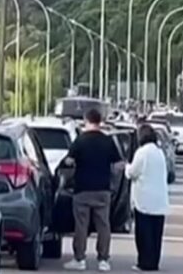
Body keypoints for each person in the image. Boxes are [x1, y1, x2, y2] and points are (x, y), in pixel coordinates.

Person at [63, 108, 123, 272]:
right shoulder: (107, 141)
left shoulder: (80, 141)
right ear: (100, 121)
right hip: (103, 189)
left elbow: (69, 161)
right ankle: (103, 260)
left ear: (86, 120)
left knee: (81, 226)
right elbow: (119, 164)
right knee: (103, 225)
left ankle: (80, 259)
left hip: (82, 189)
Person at [125, 124, 170, 271]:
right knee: (156, 235)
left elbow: (132, 172)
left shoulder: (142, 152)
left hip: (144, 200)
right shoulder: (159, 152)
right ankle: (154, 262)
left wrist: (126, 167)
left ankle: (144, 262)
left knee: (144, 234)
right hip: (159, 200)